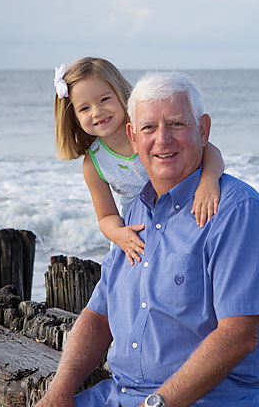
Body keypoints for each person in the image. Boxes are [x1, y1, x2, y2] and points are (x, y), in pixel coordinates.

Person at [0, 72, 259, 407]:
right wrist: (60, 391)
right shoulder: (136, 212)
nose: (163, 139)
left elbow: (239, 334)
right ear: (132, 136)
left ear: (204, 129)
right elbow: (99, 315)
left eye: (177, 124)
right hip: (123, 400)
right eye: (149, 128)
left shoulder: (236, 210)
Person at [54, 57, 226, 264]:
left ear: (120, 94)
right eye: (84, 109)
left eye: (104, 100)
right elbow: (106, 216)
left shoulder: (148, 129)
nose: (97, 112)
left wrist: (209, 181)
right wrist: (119, 234)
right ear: (73, 117)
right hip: (138, 231)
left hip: (184, 209)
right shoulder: (94, 163)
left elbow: (210, 150)